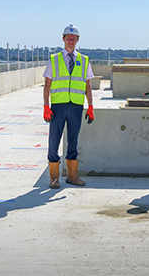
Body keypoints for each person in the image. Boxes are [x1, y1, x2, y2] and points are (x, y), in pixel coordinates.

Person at [43, 24, 95, 189]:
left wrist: (91, 106)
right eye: (68, 38)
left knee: (73, 142)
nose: (71, 41)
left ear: (77, 40)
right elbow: (47, 85)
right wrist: (46, 106)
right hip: (58, 107)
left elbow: (88, 86)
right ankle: (54, 178)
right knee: (54, 141)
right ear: (63, 39)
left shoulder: (84, 60)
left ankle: (72, 176)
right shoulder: (54, 59)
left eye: (73, 38)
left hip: (76, 107)